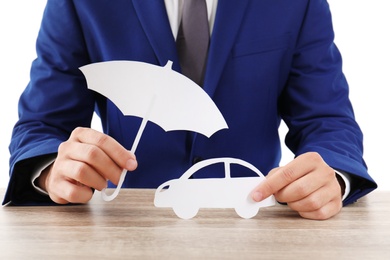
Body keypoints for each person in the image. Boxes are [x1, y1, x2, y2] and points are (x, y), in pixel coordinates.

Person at [3, 0, 377, 220]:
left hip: (253, 222)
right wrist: (52, 169)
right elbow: (41, 126)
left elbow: (328, 120)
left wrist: (333, 176)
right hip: (127, 226)